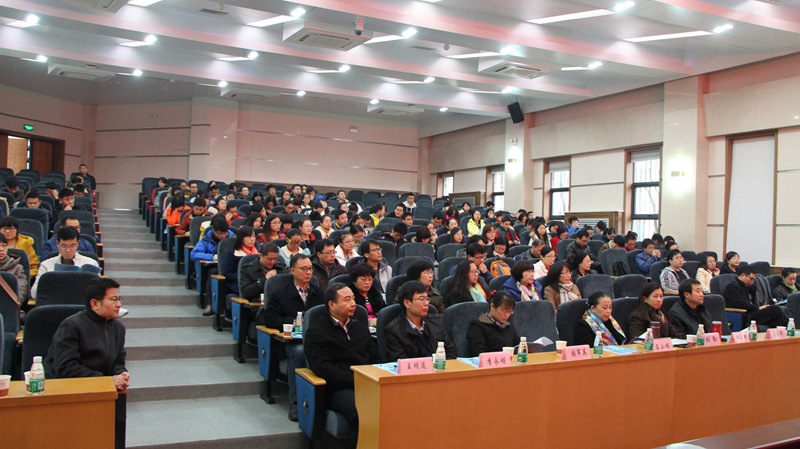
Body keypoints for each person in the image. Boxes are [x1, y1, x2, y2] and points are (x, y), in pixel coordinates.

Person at [45, 278, 128, 449]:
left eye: (120, 299)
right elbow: (66, 369)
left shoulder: (118, 328)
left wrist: (121, 373)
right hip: (70, 395)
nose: (119, 304)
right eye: (113, 299)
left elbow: (118, 360)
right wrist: (106, 381)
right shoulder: (71, 326)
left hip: (102, 393)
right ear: (94, 304)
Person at [303, 282, 380, 432]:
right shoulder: (317, 331)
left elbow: (375, 357)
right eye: (347, 300)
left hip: (367, 382)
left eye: (353, 298)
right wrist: (356, 381)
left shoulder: (359, 326)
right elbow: (323, 368)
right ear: (331, 304)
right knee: (364, 411)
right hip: (337, 388)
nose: (353, 304)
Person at [259, 253, 324, 421]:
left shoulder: (318, 293)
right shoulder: (280, 293)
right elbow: (269, 319)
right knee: (300, 352)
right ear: (293, 270)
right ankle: (295, 402)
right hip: (290, 341)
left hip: (315, 339)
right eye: (304, 269)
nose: (308, 272)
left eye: (310, 269)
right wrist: (293, 322)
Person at [385, 280, 456, 361]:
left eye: (427, 298)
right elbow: (401, 362)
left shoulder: (436, 322)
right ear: (407, 303)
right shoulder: (394, 331)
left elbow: (450, 352)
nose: (426, 303)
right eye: (422, 299)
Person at [31, 226, 99, 299]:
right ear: (57, 244)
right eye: (64, 246)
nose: (68, 250)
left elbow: (97, 292)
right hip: (54, 301)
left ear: (78, 244)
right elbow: (34, 293)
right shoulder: (46, 265)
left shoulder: (91, 263)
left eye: (72, 246)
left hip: (80, 302)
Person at [190, 218, 234, 315]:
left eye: (225, 233)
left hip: (230, 266)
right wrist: (211, 257)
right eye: (220, 234)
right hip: (214, 266)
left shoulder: (233, 238)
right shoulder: (207, 238)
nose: (223, 236)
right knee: (213, 272)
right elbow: (194, 254)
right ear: (214, 231)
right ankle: (209, 304)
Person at [723, 265, 788, 328]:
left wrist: (753, 290)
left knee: (775, 319)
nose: (752, 282)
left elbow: (753, 301)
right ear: (743, 275)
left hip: (750, 313)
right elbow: (741, 304)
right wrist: (758, 308)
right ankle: (790, 327)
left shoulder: (745, 286)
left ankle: (784, 331)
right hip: (743, 316)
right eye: (751, 279)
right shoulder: (732, 287)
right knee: (774, 310)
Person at [466, 291, 520, 357]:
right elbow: (478, 353)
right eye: (504, 311)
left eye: (510, 311)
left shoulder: (508, 326)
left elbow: (518, 347)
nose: (507, 315)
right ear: (492, 306)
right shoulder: (478, 326)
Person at [221, 226, 258, 295]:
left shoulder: (258, 254)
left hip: (255, 283)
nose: (252, 239)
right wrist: (243, 277)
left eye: (253, 236)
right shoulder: (233, 253)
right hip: (238, 283)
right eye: (248, 236)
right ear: (241, 238)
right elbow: (227, 273)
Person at [0, 233, 28, 303]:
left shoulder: (17, 268)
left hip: (10, 305)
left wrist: (12, 304)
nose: (1, 249)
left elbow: (22, 290)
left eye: (4, 246)